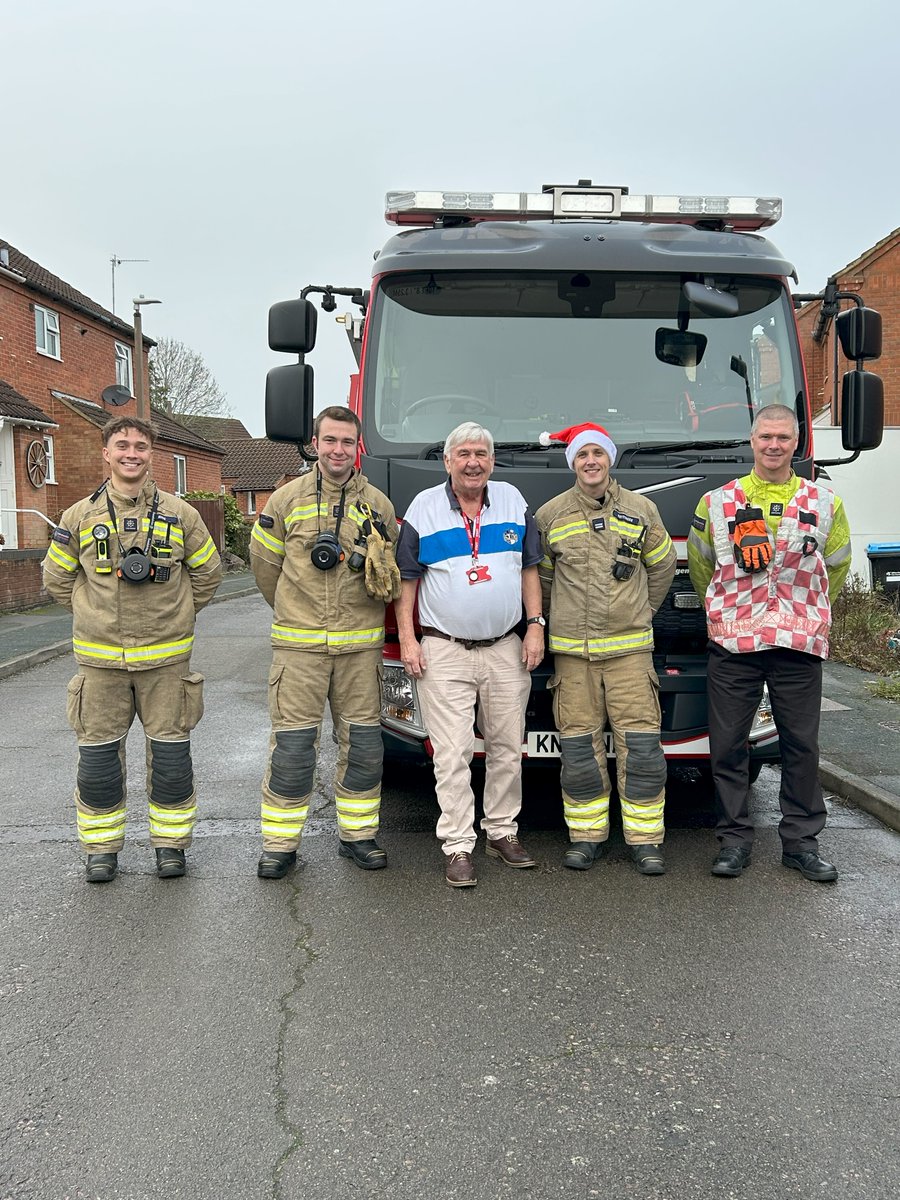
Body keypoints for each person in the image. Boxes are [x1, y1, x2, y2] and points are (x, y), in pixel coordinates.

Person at [42, 417, 222, 883]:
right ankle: (101, 851)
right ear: (106, 452)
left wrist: (178, 614)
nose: (131, 453)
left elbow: (208, 574)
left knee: (171, 760)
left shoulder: (182, 515)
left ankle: (171, 848)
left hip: (167, 662)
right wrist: (92, 612)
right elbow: (57, 579)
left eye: (141, 446)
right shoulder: (79, 517)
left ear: (150, 454)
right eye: (122, 445)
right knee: (98, 760)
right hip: (100, 664)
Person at [687, 404, 852, 882]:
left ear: (796, 443)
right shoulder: (718, 502)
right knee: (728, 746)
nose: (774, 445)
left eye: (783, 437)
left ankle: (800, 843)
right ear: (752, 441)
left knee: (801, 745)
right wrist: (723, 612)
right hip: (735, 643)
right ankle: (734, 841)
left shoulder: (824, 503)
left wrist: (809, 611)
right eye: (766, 437)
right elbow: (702, 567)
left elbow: (836, 564)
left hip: (797, 643)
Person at [250, 406, 400, 879]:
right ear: (315, 444)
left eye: (347, 442)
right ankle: (280, 844)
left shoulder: (378, 504)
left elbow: (389, 571)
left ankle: (358, 837)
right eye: (329, 440)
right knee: (293, 747)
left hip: (360, 651)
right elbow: (264, 568)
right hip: (300, 649)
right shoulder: (285, 499)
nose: (338, 450)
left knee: (363, 745)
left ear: (358, 448)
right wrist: (297, 613)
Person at [394, 422, 545, 888]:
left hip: (506, 647)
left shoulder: (514, 502)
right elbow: (407, 581)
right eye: (463, 454)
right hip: (444, 650)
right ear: (447, 461)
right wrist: (408, 639)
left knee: (506, 748)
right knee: (453, 753)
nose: (473, 462)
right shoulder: (424, 508)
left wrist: (536, 627)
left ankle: (502, 831)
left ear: (492, 461)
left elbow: (529, 569)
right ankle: (458, 845)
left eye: (481, 453)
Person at [536, 423, 677, 874]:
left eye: (597, 452)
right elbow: (539, 583)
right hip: (573, 659)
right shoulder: (550, 516)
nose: (590, 461)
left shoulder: (642, 510)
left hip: (631, 657)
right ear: (572, 463)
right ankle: (586, 837)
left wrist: (638, 614)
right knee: (579, 752)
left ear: (609, 459)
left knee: (643, 750)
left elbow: (661, 570)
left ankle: (645, 841)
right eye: (582, 455)